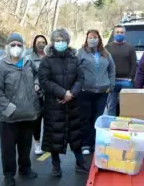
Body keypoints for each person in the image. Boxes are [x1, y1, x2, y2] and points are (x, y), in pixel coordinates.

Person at [0, 33, 41, 186]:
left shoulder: (28, 62)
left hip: (28, 112)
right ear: (7, 47)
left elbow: (37, 75)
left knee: (25, 144)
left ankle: (25, 168)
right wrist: (8, 109)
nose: (16, 48)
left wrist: (37, 84)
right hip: (10, 116)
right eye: (13, 45)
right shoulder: (1, 65)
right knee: (8, 148)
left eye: (19, 45)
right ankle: (9, 174)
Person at [38, 28, 88, 177]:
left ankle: (80, 163)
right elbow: (44, 81)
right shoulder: (46, 60)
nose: (60, 43)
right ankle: (56, 166)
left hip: (72, 103)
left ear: (68, 42)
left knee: (76, 135)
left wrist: (71, 93)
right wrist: (62, 93)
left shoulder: (74, 58)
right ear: (53, 42)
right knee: (55, 136)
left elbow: (81, 78)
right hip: (54, 105)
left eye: (63, 40)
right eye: (57, 40)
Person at [78, 29, 116, 155]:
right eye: (90, 37)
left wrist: (111, 84)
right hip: (85, 91)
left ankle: (96, 142)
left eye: (94, 37)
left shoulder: (105, 53)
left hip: (102, 91)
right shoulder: (81, 53)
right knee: (85, 118)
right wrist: (79, 85)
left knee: (98, 118)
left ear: (99, 39)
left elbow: (111, 69)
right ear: (86, 39)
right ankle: (85, 144)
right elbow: (75, 70)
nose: (92, 39)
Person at [105, 25, 137, 116]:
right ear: (114, 34)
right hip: (112, 81)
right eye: (117, 32)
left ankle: (127, 124)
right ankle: (112, 124)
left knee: (128, 105)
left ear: (125, 34)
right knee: (111, 106)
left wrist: (131, 78)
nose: (119, 34)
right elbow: (105, 63)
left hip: (126, 81)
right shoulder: (107, 47)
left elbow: (134, 64)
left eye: (122, 32)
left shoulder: (130, 48)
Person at [28, 34, 48, 155]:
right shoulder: (29, 58)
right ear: (34, 44)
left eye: (43, 42)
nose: (41, 44)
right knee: (37, 121)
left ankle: (47, 143)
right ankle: (37, 143)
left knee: (50, 120)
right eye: (38, 42)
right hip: (36, 94)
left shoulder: (50, 56)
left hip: (50, 94)